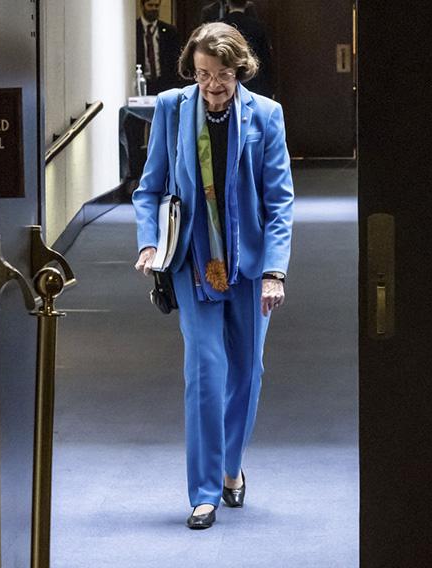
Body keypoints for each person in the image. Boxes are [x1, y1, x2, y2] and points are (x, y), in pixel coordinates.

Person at [132, 22, 293, 530]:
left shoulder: (265, 116)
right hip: (194, 260)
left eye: (222, 75)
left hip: (247, 265)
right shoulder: (172, 108)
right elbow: (149, 188)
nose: (213, 86)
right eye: (203, 74)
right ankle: (203, 493)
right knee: (205, 373)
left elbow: (279, 202)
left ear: (239, 70)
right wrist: (150, 241)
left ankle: (230, 466)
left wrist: (274, 272)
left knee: (247, 373)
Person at [221, 0, 273, 97]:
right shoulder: (258, 26)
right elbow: (265, 60)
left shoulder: (219, 26)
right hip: (253, 81)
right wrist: (269, 90)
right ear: (247, 3)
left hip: (225, 81)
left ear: (227, 2)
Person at [136, 0, 181, 94]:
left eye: (156, 6)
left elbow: (175, 59)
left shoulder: (169, 31)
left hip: (164, 84)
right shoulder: (134, 29)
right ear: (142, 6)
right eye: (150, 5)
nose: (154, 9)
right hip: (142, 83)